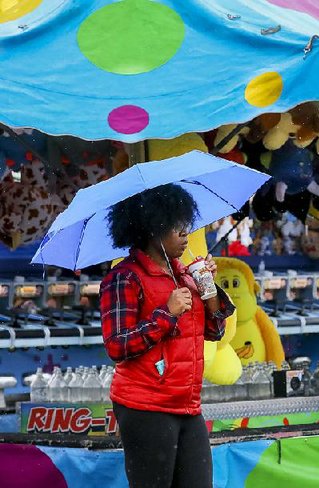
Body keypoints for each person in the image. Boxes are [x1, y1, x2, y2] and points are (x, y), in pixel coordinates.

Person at [100, 184, 234, 488]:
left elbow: (214, 331)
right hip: (145, 406)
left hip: (188, 404)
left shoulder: (186, 274)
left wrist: (208, 289)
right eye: (176, 226)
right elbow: (117, 345)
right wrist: (167, 314)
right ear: (152, 229)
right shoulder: (123, 278)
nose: (185, 233)